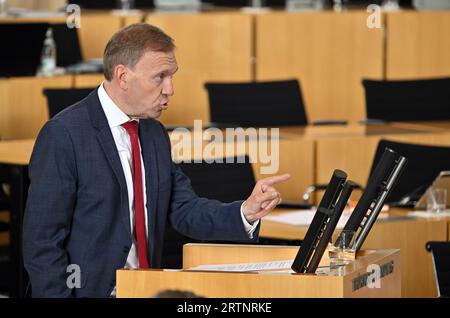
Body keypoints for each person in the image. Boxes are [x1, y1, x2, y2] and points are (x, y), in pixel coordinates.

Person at [22, 23, 290, 298]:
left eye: (171, 76)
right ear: (123, 76)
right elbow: (42, 243)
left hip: (146, 290)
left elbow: (184, 209)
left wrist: (246, 211)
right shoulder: (64, 134)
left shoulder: (153, 132)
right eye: (159, 77)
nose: (170, 89)